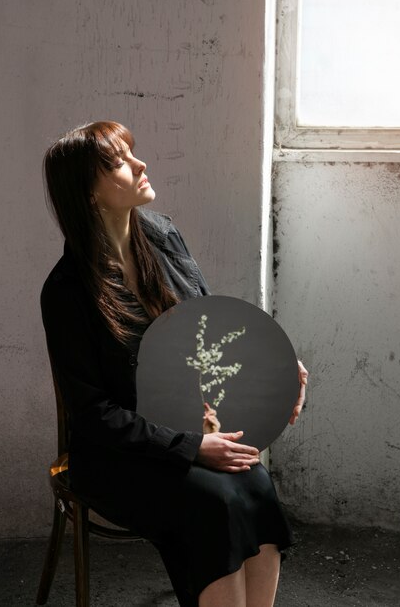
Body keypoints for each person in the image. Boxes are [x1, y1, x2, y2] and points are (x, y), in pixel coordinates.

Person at [41, 120, 308, 607]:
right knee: (214, 502)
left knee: (258, 486)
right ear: (88, 193)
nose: (140, 164)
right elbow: (93, 415)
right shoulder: (66, 291)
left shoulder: (162, 236)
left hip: (183, 430)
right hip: (114, 453)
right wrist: (190, 447)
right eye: (120, 162)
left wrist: (279, 361)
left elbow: (207, 325)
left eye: (130, 153)